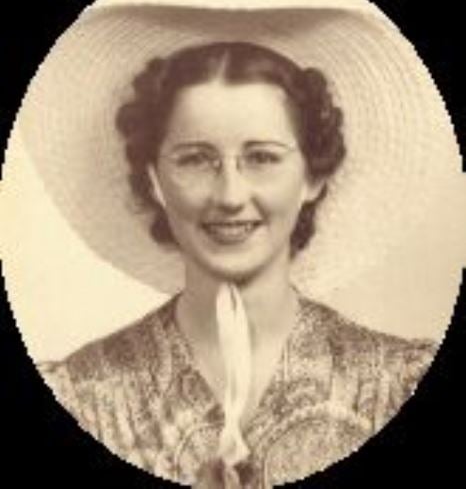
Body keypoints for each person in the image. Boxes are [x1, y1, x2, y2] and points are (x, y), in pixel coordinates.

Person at [38, 40, 437, 488]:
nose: (230, 195)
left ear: (313, 176)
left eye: (262, 158)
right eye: (195, 159)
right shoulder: (82, 401)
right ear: (154, 180)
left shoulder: (399, 385)